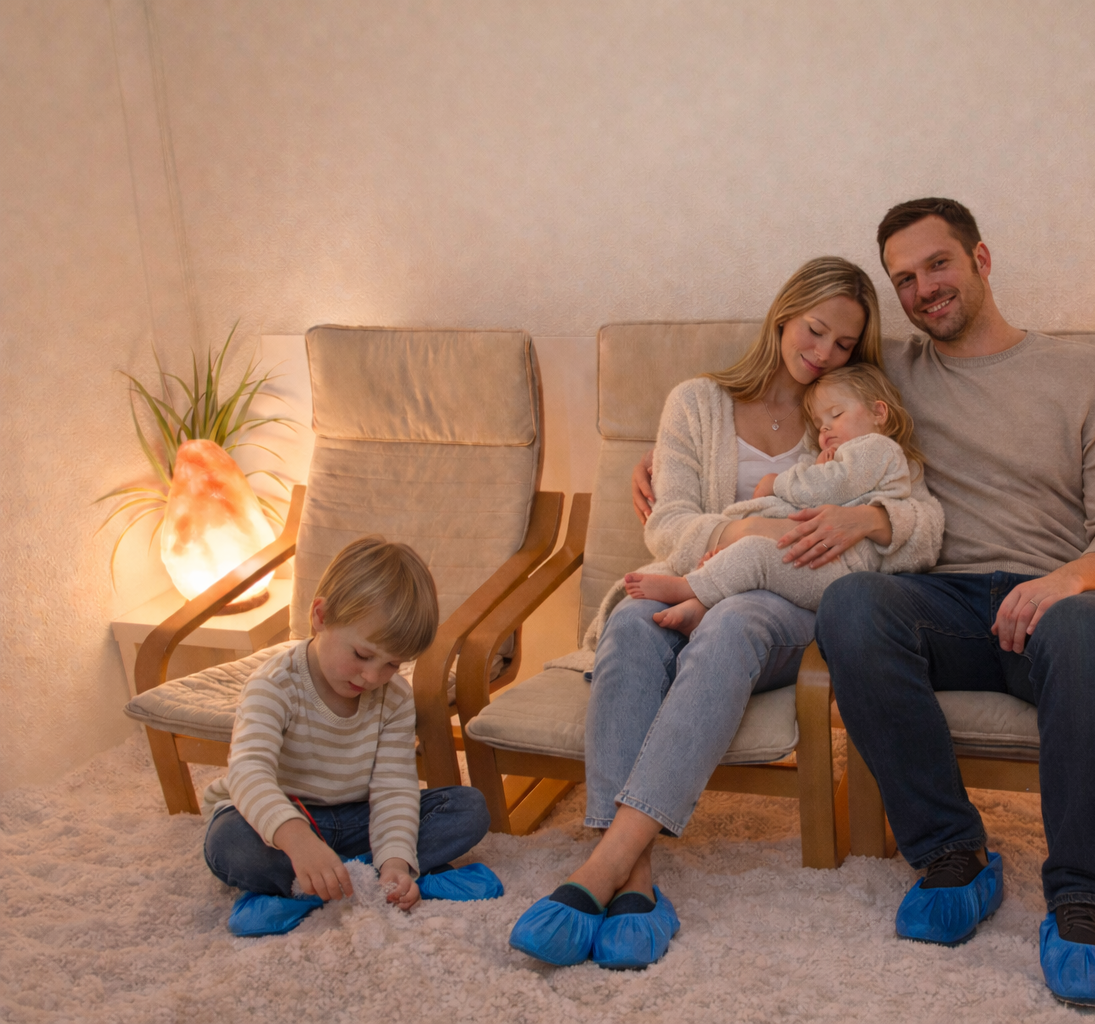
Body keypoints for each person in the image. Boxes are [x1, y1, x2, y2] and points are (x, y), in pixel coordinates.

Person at [632, 200, 1095, 1006]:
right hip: (939, 600)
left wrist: (1065, 582)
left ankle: (1087, 902)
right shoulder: (888, 378)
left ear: (981, 259)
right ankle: (951, 855)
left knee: (1088, 627)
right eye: (904, 279)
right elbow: (787, 402)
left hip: (1064, 602)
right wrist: (668, 461)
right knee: (854, 605)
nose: (924, 289)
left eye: (937, 264)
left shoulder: (1087, 373)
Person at [509, 256, 944, 971]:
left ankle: (601, 865)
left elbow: (923, 524)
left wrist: (868, 519)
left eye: (843, 344)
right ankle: (635, 879)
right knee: (630, 620)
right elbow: (668, 525)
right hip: (694, 579)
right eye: (815, 330)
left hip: (785, 607)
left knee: (734, 622)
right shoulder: (696, 403)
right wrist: (747, 531)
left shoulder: (848, 417)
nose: (824, 353)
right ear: (784, 315)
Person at [202, 536, 495, 937]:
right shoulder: (274, 685)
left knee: (469, 809)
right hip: (286, 815)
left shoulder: (394, 699)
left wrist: (395, 861)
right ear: (320, 616)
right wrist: (297, 840)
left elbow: (394, 788)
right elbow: (248, 773)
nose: (372, 676)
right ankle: (339, 875)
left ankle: (328, 883)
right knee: (228, 842)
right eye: (361, 655)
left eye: (392, 664)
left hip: (358, 815)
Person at [622, 362, 939, 630]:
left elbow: (828, 488)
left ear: (878, 412)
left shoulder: (876, 448)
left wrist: (777, 483)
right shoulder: (847, 456)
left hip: (841, 571)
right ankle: (704, 600)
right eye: (819, 424)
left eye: (836, 415)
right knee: (751, 553)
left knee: (756, 556)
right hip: (824, 562)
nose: (825, 430)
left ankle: (688, 589)